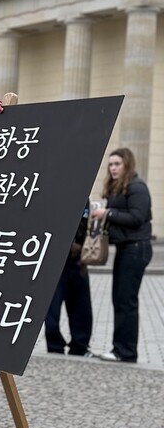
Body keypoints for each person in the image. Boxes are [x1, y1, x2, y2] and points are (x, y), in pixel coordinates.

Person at [91, 147, 153, 363]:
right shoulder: (123, 186)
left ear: (127, 164)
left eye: (117, 164)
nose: (113, 168)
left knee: (125, 301)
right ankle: (121, 349)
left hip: (136, 249)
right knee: (120, 299)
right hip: (127, 249)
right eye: (110, 164)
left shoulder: (137, 187)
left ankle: (125, 352)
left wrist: (108, 213)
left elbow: (137, 217)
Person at [44, 201, 92, 356]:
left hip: (77, 260)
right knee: (52, 310)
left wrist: (82, 246)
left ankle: (80, 346)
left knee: (81, 307)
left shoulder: (84, 197)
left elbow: (85, 224)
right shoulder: (54, 193)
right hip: (55, 261)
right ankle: (55, 345)